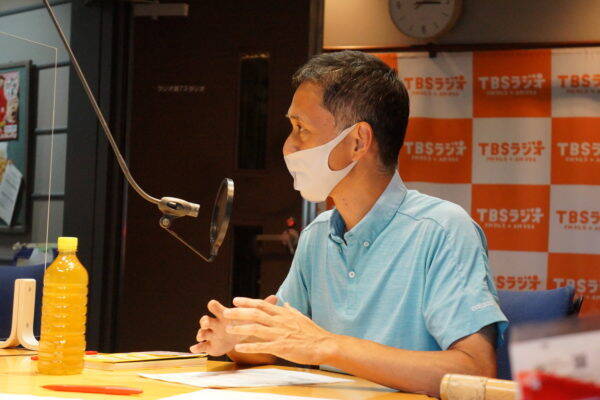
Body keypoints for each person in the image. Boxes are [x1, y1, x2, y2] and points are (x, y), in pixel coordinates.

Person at [190, 50, 507, 397]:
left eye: (301, 128)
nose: (288, 146)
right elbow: (286, 343)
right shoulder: (318, 234)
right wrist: (236, 339)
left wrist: (328, 346)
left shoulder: (442, 230)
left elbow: (475, 371)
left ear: (357, 142)